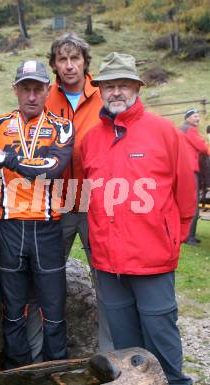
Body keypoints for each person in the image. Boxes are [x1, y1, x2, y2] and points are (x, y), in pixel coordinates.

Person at [81, 52, 195, 385]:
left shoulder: (163, 131)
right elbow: (86, 194)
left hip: (153, 257)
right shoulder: (90, 140)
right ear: (100, 90)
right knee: (126, 343)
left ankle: (175, 382)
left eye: (124, 85)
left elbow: (186, 189)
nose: (116, 92)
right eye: (110, 86)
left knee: (160, 332)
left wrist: (175, 236)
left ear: (137, 88)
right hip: (107, 260)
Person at [0, 60, 74, 368]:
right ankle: (18, 370)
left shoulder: (62, 126)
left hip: (47, 227)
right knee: (13, 308)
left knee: (53, 310)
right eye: (25, 88)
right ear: (15, 90)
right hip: (8, 226)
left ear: (48, 90)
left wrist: (1, 157)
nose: (31, 96)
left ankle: (56, 369)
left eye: (37, 89)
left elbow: (54, 168)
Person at [45, 31, 113, 352]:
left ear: (86, 62)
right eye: (63, 59)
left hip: (95, 200)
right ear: (54, 65)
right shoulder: (45, 98)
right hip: (57, 201)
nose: (69, 65)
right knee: (46, 276)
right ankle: (50, 352)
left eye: (75, 58)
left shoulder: (103, 97)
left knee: (106, 279)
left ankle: (109, 353)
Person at [178, 108, 209, 245]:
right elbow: (202, 147)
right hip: (191, 170)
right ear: (188, 118)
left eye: (198, 116)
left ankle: (188, 235)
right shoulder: (189, 130)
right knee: (193, 203)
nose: (197, 118)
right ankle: (188, 236)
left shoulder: (180, 129)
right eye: (195, 116)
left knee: (186, 202)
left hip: (183, 169)